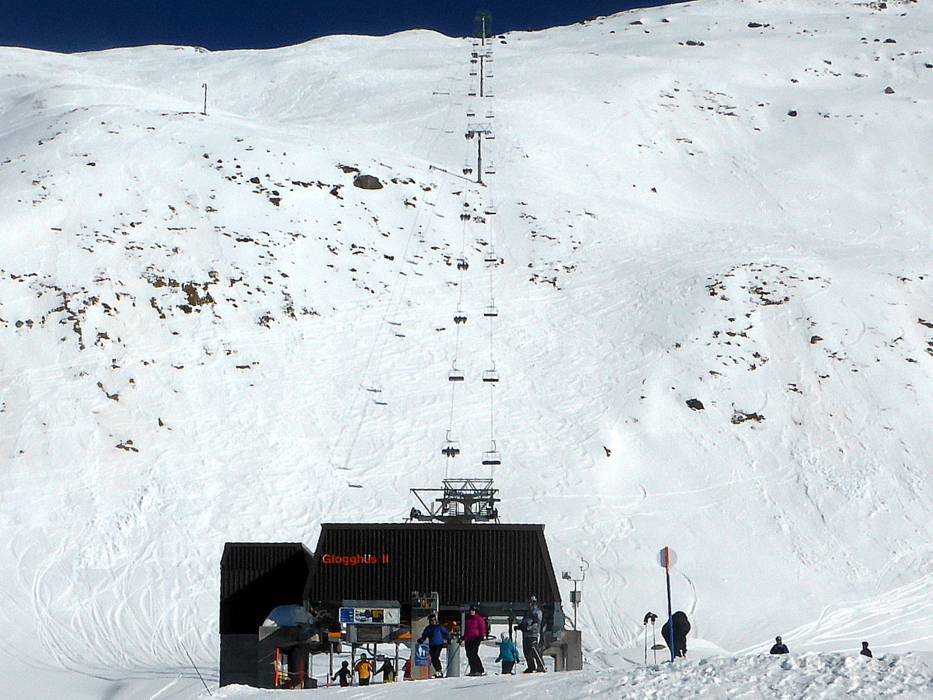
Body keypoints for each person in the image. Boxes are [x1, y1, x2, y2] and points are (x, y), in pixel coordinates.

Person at [517, 595, 546, 673]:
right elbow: (524, 621)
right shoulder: (527, 612)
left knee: (534, 650)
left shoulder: (537, 612)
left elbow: (537, 623)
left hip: (533, 634)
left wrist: (529, 627)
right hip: (526, 635)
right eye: (528, 603)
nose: (529, 604)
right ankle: (531, 666)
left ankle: (541, 666)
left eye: (531, 603)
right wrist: (520, 626)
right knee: (527, 652)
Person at [418, 613, 451, 678]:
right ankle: (438, 671)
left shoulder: (439, 627)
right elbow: (424, 635)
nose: (433, 622)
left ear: (436, 620)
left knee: (435, 657)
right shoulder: (428, 628)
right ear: (429, 621)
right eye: (431, 620)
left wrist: (449, 639)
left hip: (439, 644)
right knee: (433, 658)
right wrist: (422, 639)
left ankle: (439, 670)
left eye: (434, 620)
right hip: (432, 645)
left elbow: (446, 632)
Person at [463, 605, 488, 676]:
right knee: (469, 654)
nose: (472, 612)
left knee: (473, 654)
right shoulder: (468, 619)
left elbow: (482, 627)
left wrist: (481, 636)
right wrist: (463, 637)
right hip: (468, 639)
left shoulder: (479, 619)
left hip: (476, 638)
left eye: (473, 611)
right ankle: (473, 670)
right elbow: (467, 630)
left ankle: (480, 670)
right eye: (471, 610)